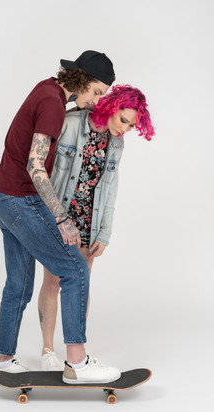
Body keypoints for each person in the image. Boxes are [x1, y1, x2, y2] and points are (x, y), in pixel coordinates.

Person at [0, 50, 122, 384]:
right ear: (80, 80)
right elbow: (35, 165)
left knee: (18, 285)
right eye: (96, 92)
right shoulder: (51, 103)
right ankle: (77, 363)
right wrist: (62, 219)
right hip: (21, 200)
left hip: (3, 199)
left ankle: (3, 359)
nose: (95, 100)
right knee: (75, 268)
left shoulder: (46, 90)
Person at [38, 85, 155, 370]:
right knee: (53, 282)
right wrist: (49, 218)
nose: (125, 129)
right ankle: (47, 352)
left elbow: (111, 188)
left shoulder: (117, 143)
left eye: (131, 125)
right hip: (60, 217)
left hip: (90, 221)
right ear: (112, 107)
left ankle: (75, 354)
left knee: (80, 285)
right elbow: (45, 169)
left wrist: (104, 233)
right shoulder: (70, 124)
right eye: (123, 120)